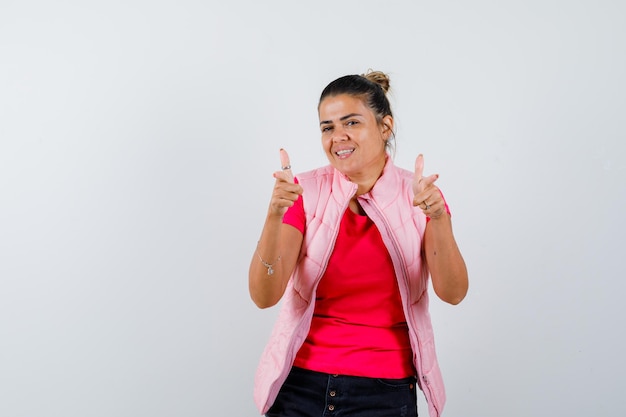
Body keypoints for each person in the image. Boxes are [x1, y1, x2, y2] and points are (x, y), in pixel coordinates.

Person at [249, 70, 468, 417]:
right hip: (300, 386)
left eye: (351, 122)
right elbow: (264, 297)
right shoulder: (303, 193)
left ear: (385, 127)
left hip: (385, 392)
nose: (338, 137)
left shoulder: (422, 197)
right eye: (327, 127)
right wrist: (274, 215)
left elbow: (453, 293)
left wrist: (438, 219)